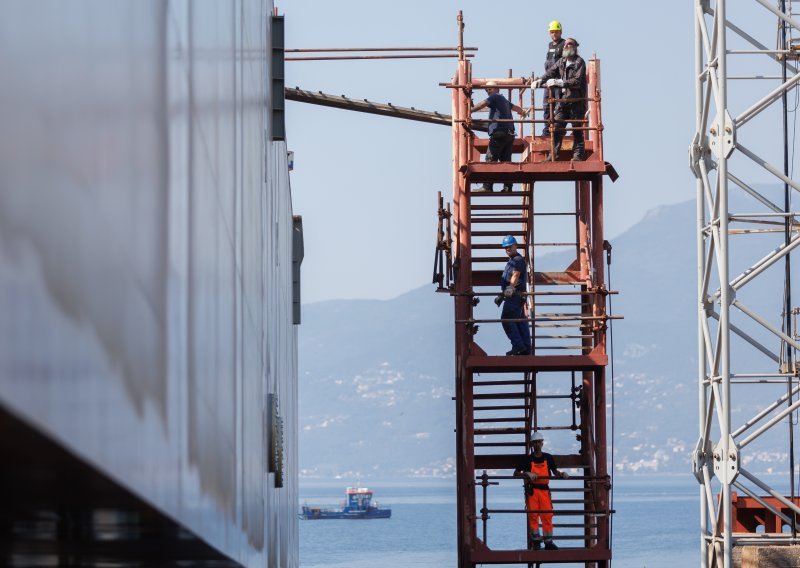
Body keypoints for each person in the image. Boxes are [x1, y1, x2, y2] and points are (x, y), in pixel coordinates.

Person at [532, 38, 587, 162]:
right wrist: (540, 80)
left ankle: (578, 155)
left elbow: (576, 81)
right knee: (556, 127)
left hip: (576, 102)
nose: (566, 46)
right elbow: (550, 72)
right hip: (563, 101)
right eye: (565, 44)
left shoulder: (579, 62)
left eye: (569, 44)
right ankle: (553, 155)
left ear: (575, 47)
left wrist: (560, 82)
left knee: (577, 129)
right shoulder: (562, 61)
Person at [515, 431, 569, 550]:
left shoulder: (548, 458)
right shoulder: (527, 459)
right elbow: (515, 473)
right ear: (532, 444)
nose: (537, 444)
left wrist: (562, 474)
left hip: (544, 491)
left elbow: (554, 472)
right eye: (535, 442)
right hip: (532, 491)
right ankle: (536, 541)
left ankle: (548, 542)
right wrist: (526, 474)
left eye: (539, 442)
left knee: (547, 516)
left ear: (542, 443)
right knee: (533, 516)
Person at [471, 82, 525, 192]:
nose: (488, 91)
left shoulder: (495, 97)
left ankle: (487, 187)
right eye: (487, 90)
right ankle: (508, 187)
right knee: (506, 162)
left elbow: (482, 104)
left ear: (497, 89)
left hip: (499, 133)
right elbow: (516, 108)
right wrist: (523, 112)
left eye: (490, 89)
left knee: (490, 159)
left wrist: (469, 110)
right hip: (509, 134)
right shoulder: (504, 100)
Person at [495, 235, 531, 355]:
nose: (508, 249)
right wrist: (502, 295)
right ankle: (526, 348)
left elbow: (515, 275)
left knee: (506, 319)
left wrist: (510, 289)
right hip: (515, 296)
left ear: (516, 246)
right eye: (506, 247)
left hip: (515, 297)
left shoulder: (517, 260)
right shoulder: (512, 261)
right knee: (519, 321)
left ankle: (518, 345)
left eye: (510, 246)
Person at [541, 20, 565, 137]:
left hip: (558, 81)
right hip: (548, 81)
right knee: (547, 105)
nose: (554, 34)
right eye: (552, 32)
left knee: (559, 105)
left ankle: (559, 130)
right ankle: (547, 130)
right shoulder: (550, 45)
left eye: (556, 32)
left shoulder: (564, 44)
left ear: (560, 32)